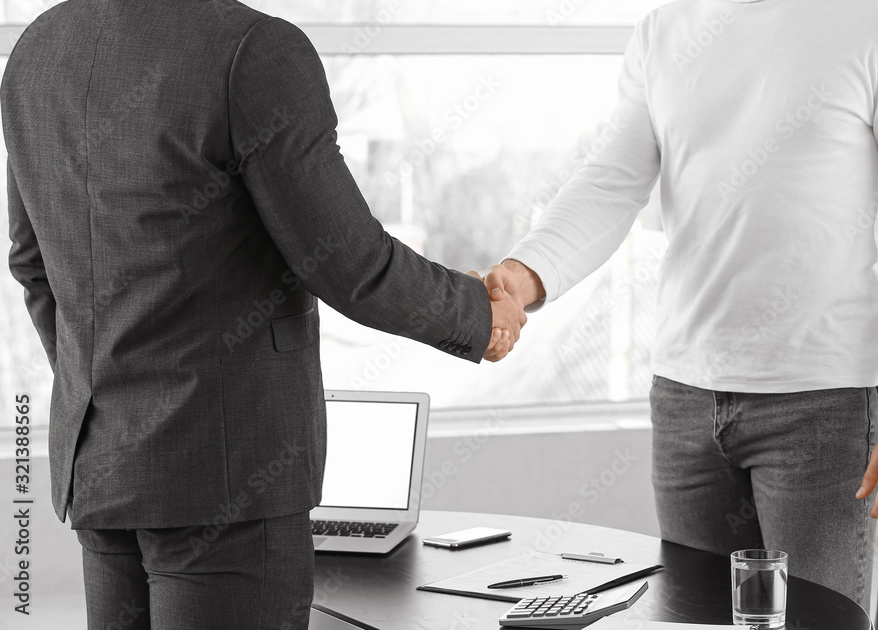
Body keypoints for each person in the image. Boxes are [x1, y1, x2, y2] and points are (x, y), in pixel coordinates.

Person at [2, 1, 525, 628]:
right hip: (228, 480)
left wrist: (104, 379)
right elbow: (345, 261)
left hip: (101, 467)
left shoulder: (39, 48)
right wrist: (476, 314)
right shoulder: (253, 50)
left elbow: (34, 264)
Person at [482, 0, 878, 612]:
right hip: (685, 405)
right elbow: (610, 181)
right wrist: (523, 275)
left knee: (817, 625)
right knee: (696, 625)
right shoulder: (663, 32)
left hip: (822, 410)